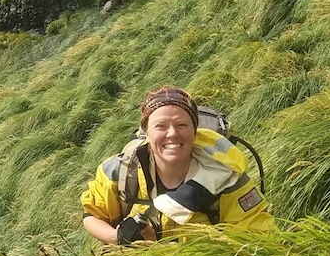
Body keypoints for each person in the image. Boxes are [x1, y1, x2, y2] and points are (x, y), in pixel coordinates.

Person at [82, 86, 274, 245]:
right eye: (161, 126)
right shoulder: (120, 171)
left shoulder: (226, 177)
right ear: (146, 133)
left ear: (194, 131)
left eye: (182, 125)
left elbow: (257, 239)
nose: (172, 134)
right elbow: (92, 215)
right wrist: (119, 238)